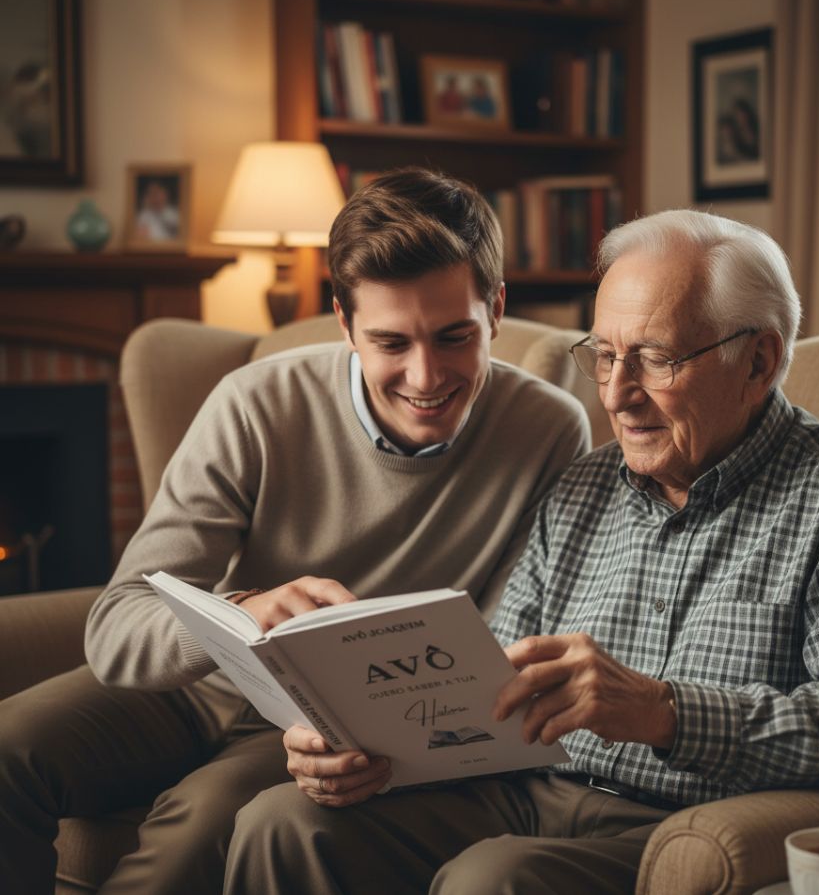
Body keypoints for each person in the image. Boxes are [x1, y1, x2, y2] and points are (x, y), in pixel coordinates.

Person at [223, 209, 819, 895]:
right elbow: (487, 688)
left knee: (495, 878)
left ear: (758, 360)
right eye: (605, 355)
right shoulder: (584, 485)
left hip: (682, 820)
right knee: (283, 821)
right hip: (525, 792)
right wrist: (365, 746)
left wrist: (666, 714)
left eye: (656, 359)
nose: (616, 394)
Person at [0, 167, 592, 895]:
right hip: (195, 681)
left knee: (197, 833)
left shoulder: (551, 430)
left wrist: (390, 739)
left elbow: (505, 645)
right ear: (344, 324)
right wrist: (237, 617)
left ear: (495, 310)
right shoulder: (257, 402)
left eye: (454, 336)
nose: (426, 375)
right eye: (390, 343)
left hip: (338, 720)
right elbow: (118, 626)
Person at [134, 177, 181, 241]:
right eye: (150, 193)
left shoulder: (175, 214)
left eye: (156, 193)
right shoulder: (143, 215)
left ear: (165, 194)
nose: (154, 197)